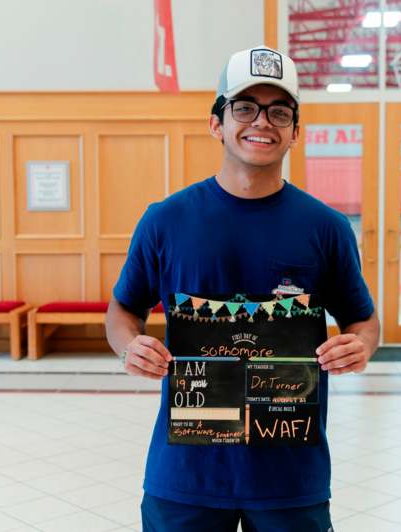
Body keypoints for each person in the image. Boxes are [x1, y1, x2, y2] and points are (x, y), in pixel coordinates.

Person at [105, 45, 379, 532]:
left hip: (290, 473)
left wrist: (360, 346)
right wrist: (130, 346)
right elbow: (123, 309)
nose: (262, 122)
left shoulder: (326, 227)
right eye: (245, 107)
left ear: (296, 132)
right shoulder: (165, 221)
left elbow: (364, 319)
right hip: (186, 472)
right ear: (217, 123)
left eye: (280, 111)